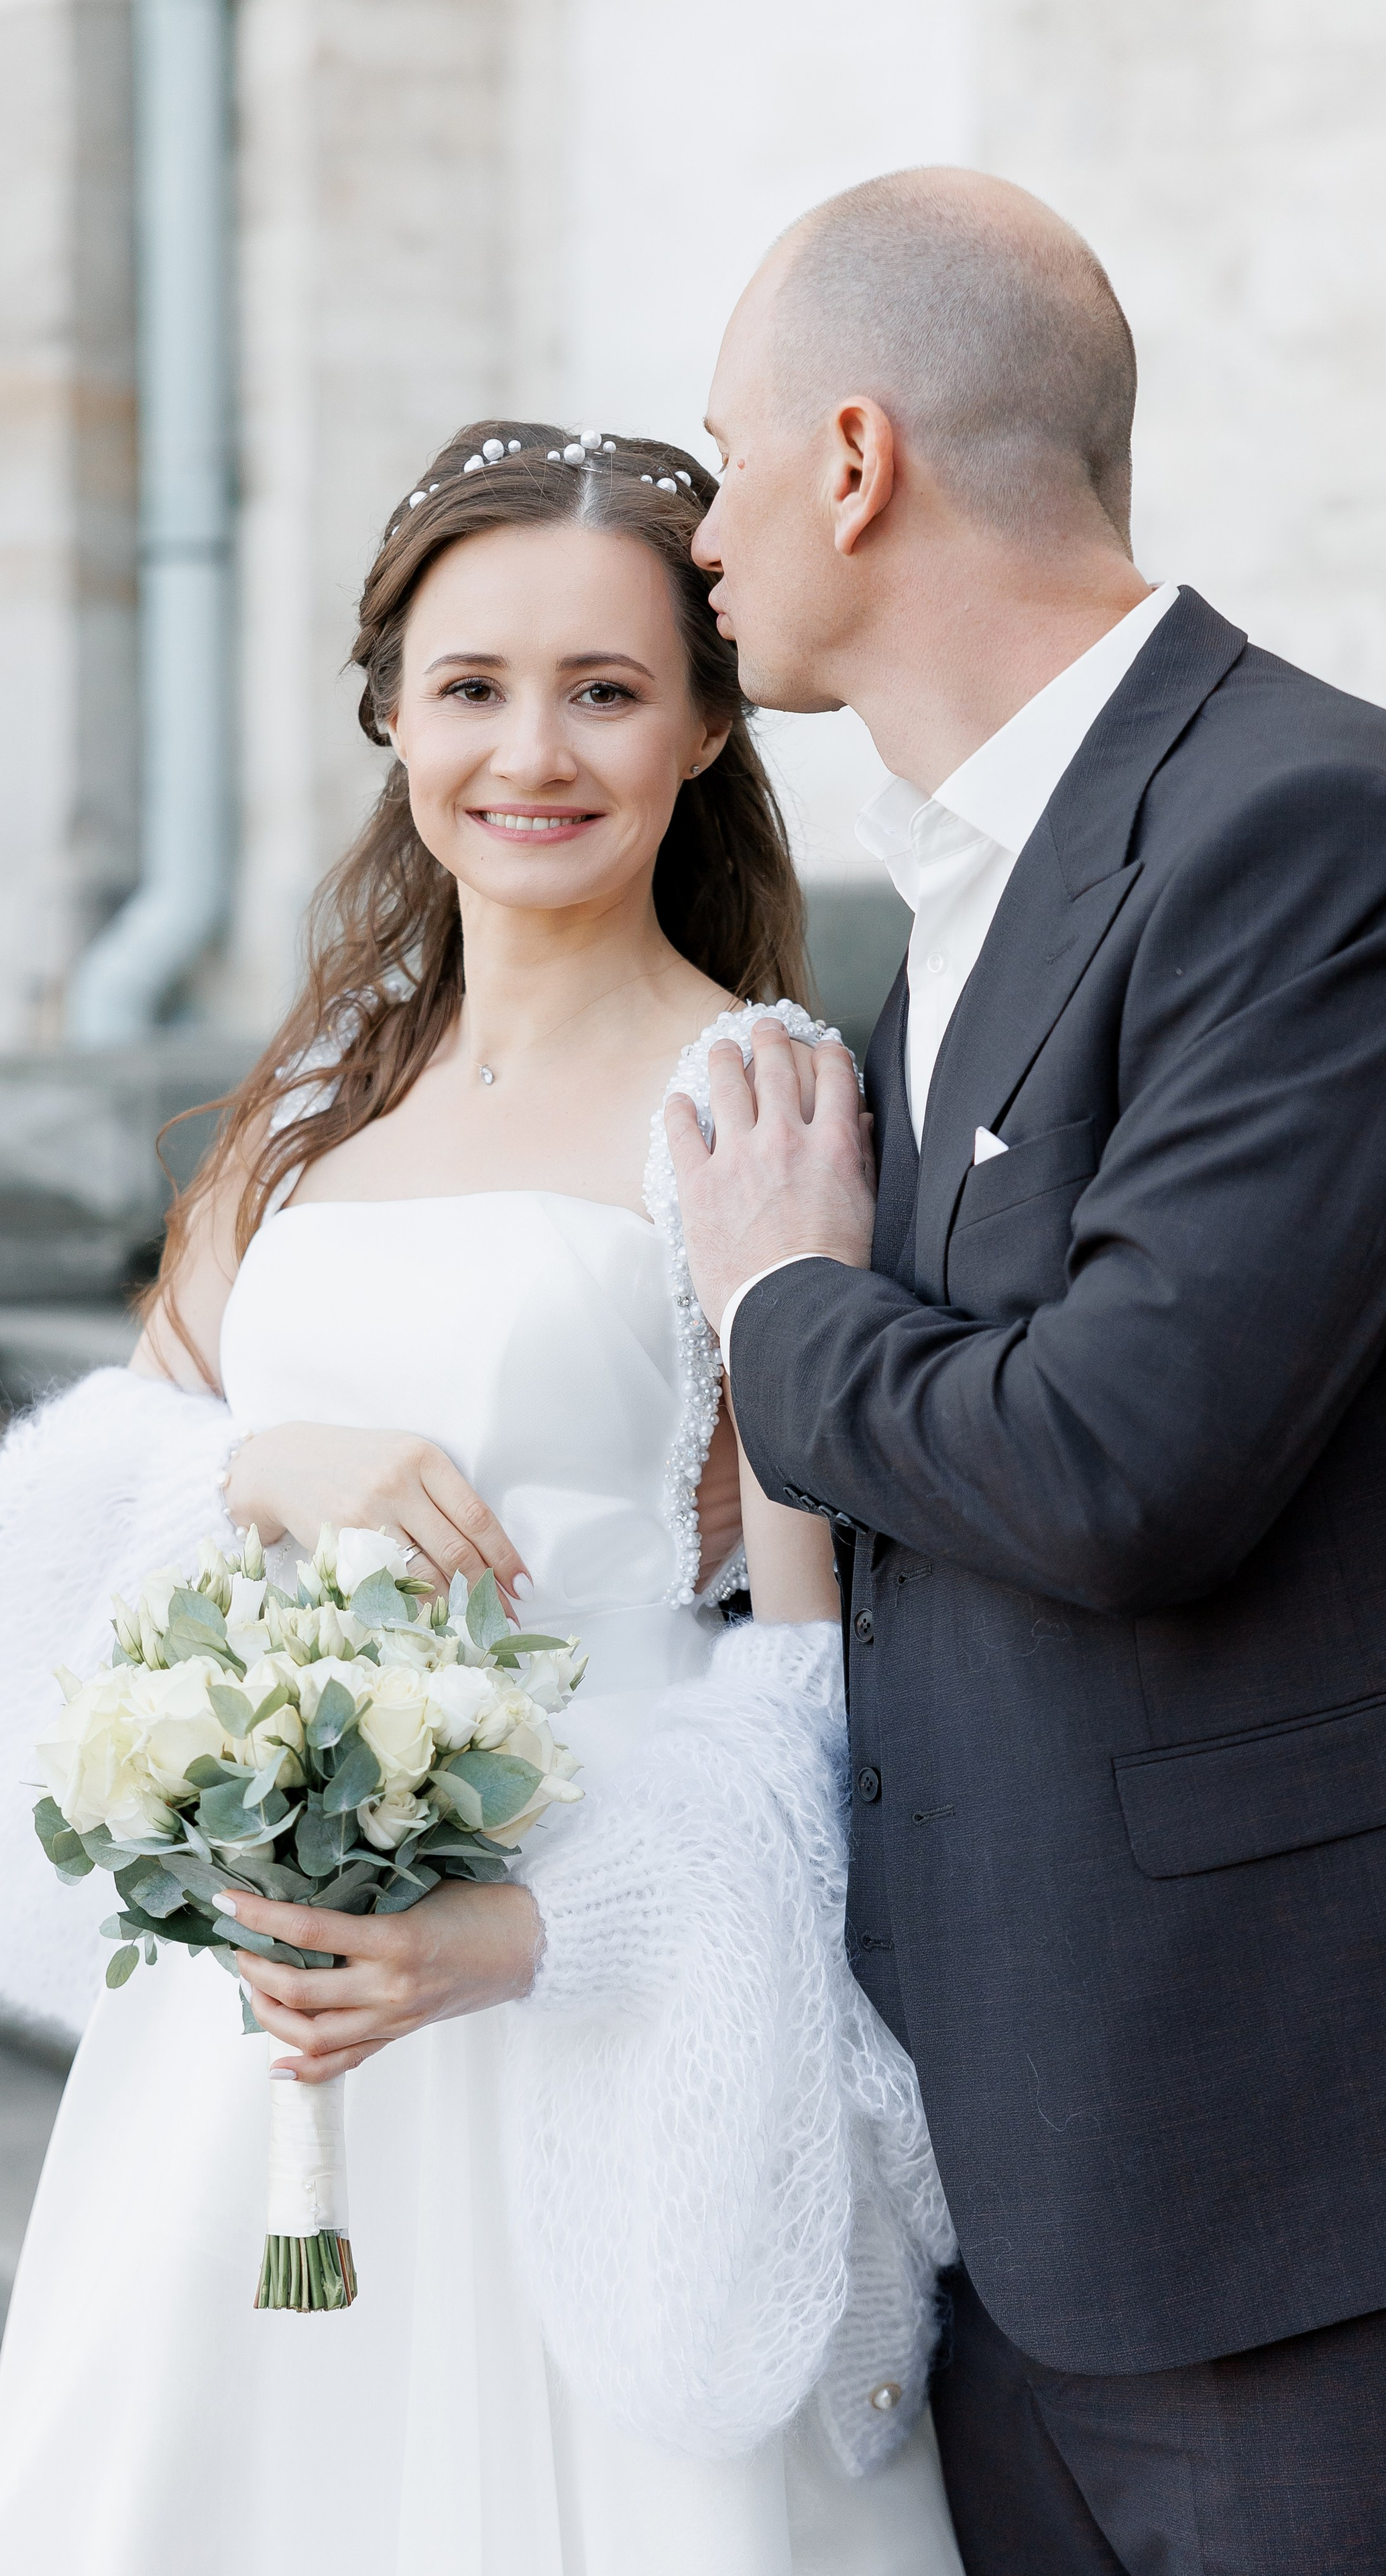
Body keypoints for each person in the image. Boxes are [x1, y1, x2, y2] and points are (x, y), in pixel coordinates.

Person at [0, 422, 963, 2573]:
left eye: (605, 688)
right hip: (256, 2005)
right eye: (474, 684)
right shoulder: (312, 1107)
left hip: (564, 1981)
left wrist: (530, 1933)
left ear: (703, 724)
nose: (534, 752)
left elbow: (809, 1680)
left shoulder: (757, 1096)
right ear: (391, 705)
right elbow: (95, 1504)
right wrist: (254, 1472)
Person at [670, 166, 1386, 2575]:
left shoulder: (1302, 820)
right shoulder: (970, 876)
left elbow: (1123, 1452)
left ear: (853, 461)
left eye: (725, 456)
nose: (706, 540)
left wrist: (787, 1316)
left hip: (1261, 2209)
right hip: (1005, 2182)